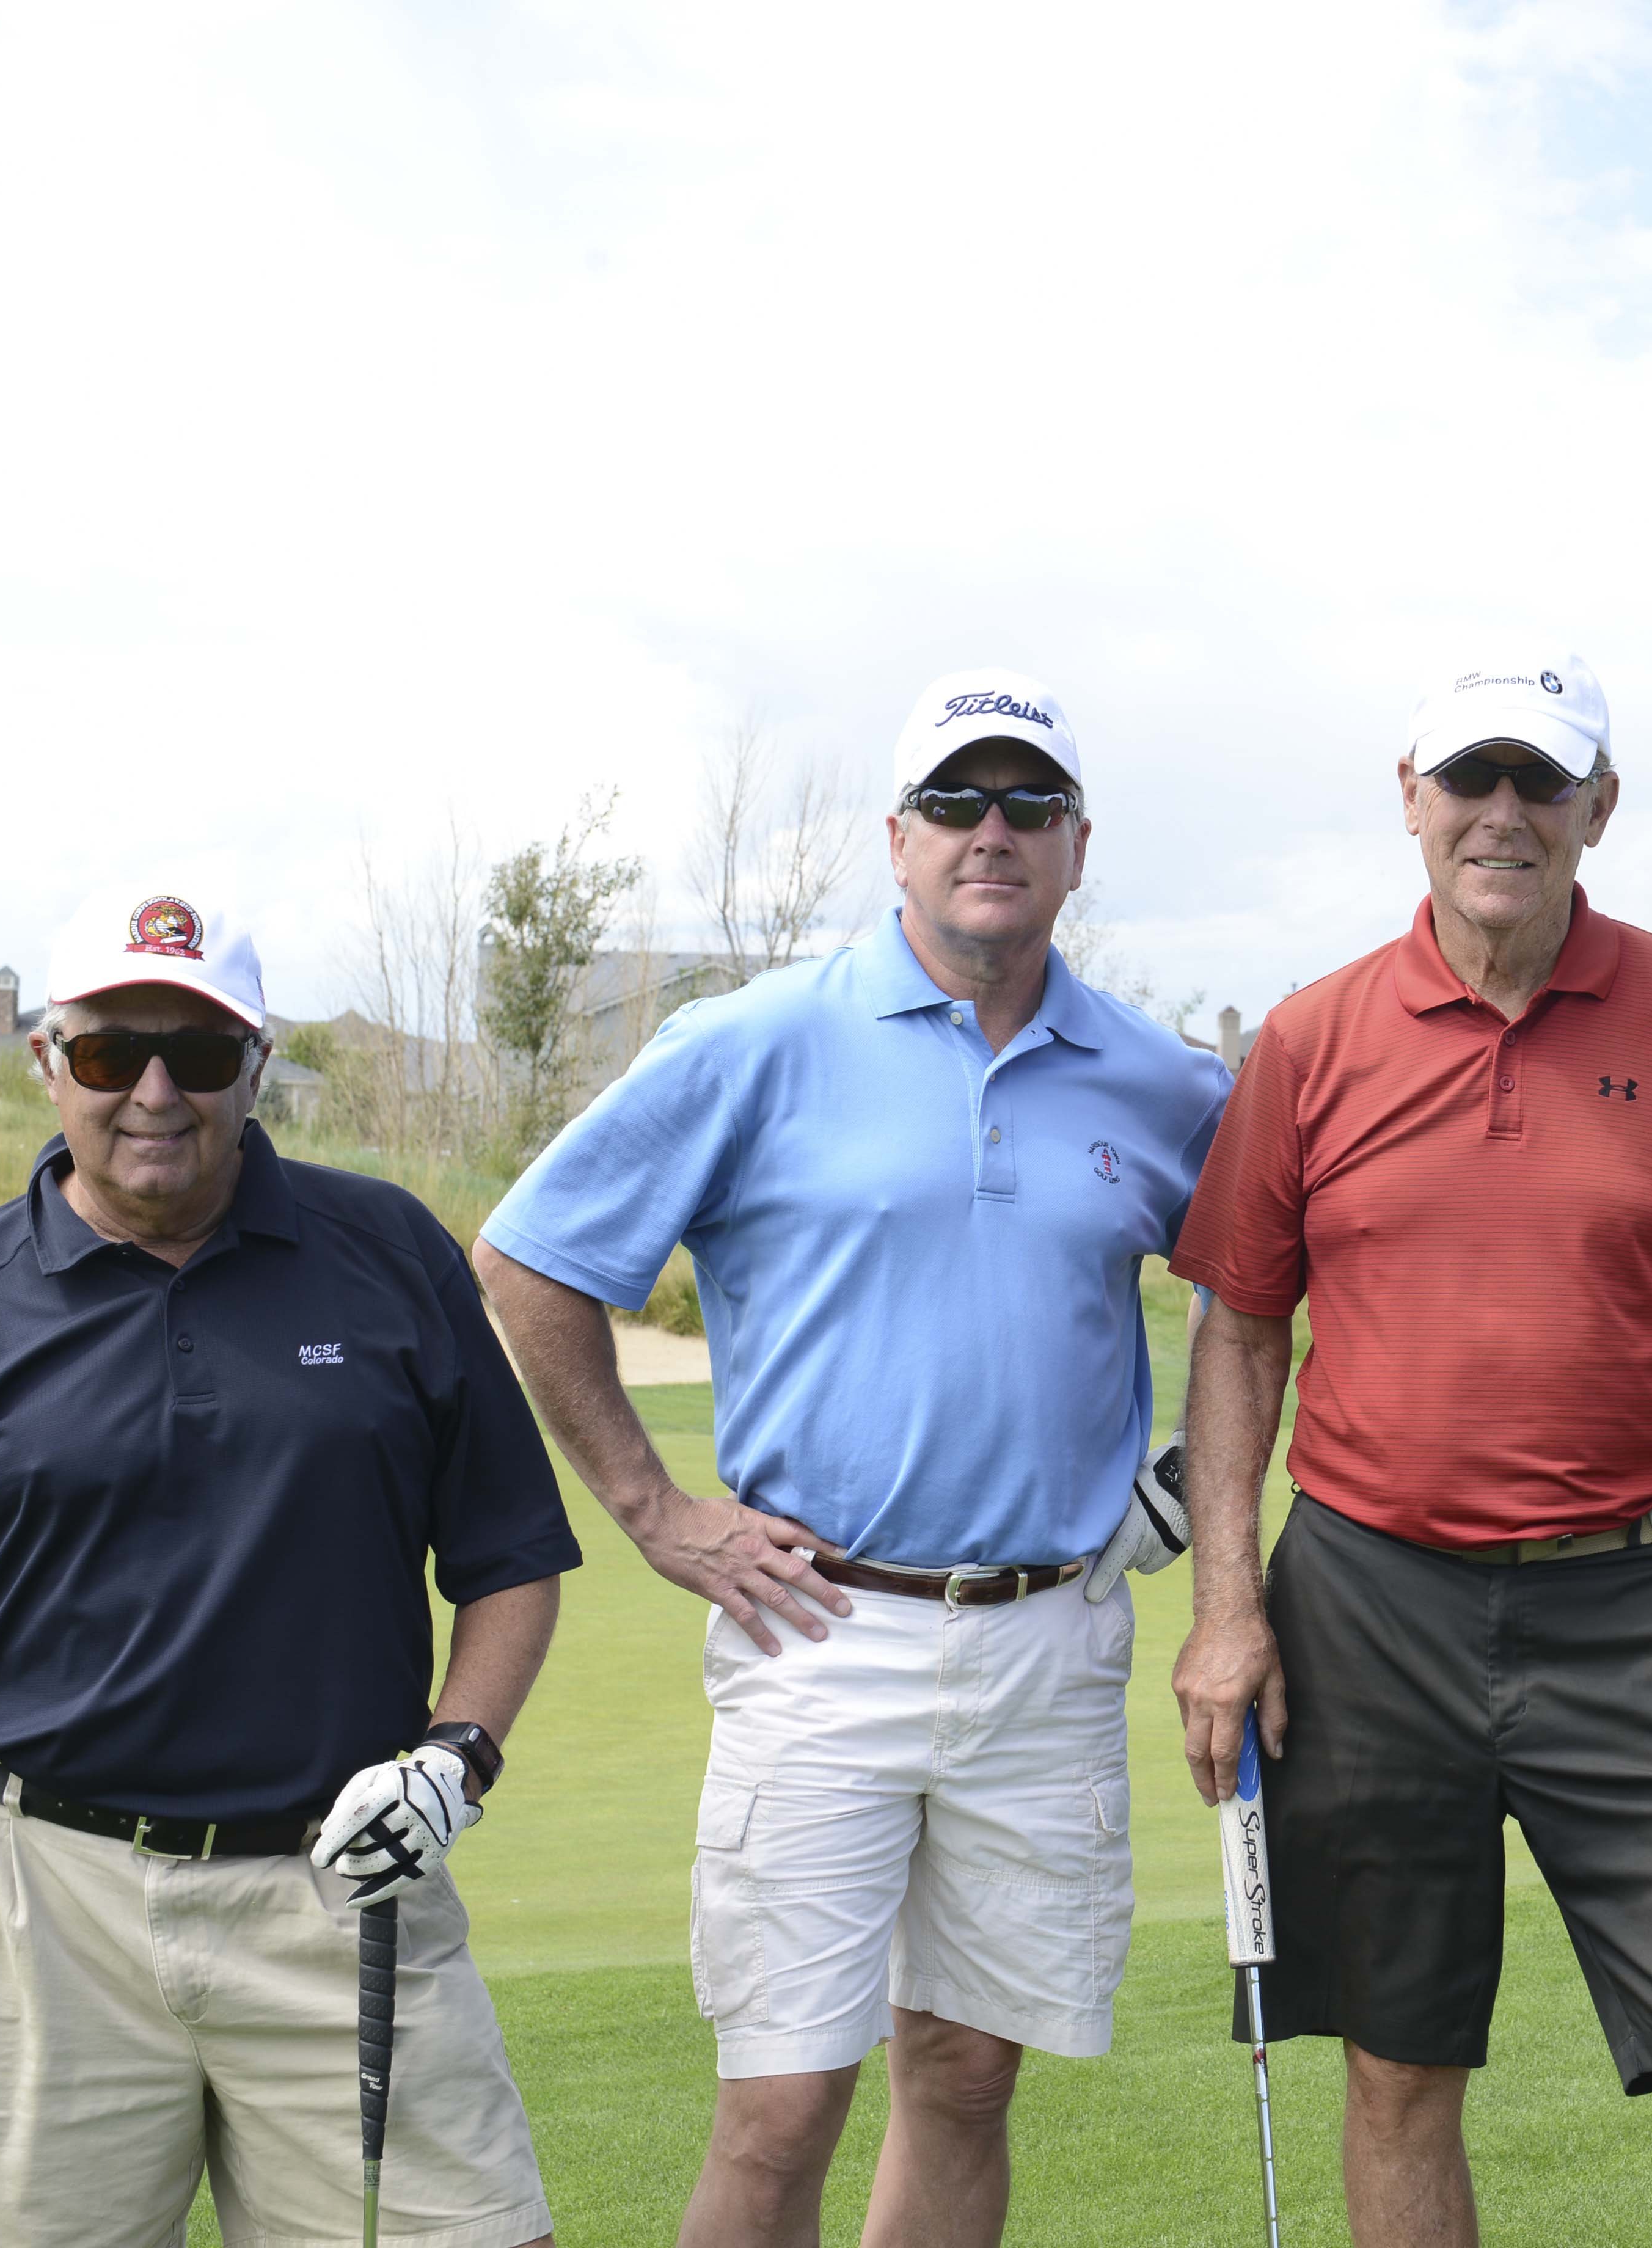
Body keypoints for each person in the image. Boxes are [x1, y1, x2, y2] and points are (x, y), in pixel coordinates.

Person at [473, 668, 1231, 2248]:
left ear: (1078, 847)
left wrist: (1188, 1486)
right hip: (820, 1633)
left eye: (1029, 804)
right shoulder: (756, 1042)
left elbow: (1274, 1280)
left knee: (962, 2077)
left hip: (1051, 1641)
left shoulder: (1158, 1081)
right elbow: (531, 1258)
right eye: (957, 802)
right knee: (782, 2101)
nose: (991, 833)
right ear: (897, 839)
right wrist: (655, 1510)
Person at [0, 887, 580, 2248]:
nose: (155, 1090)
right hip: (32, 1907)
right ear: (49, 1060)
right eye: (110, 1051)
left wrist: (457, 1758)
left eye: (201, 1054)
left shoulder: (388, 1257)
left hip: (344, 1885)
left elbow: (510, 1558)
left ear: (257, 1068)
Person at [1169, 653, 1652, 2248]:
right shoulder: (1313, 1038)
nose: (1503, 814)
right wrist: (1224, 1609)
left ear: (1597, 809)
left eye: (1541, 783)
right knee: (1402, 2073)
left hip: (1643, 1604)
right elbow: (1241, 1335)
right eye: (1469, 779)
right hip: (1369, 1605)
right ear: (1410, 802)